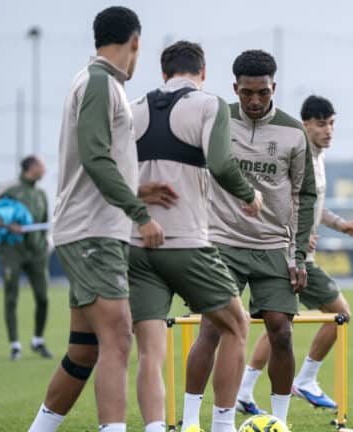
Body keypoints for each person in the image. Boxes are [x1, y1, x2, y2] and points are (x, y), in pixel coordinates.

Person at [27, 7, 164, 432]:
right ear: (136, 42)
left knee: (85, 349)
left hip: (91, 228)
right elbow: (95, 156)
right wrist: (140, 214)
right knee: (120, 338)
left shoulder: (96, 82)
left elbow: (95, 162)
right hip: (93, 231)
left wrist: (136, 188)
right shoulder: (101, 83)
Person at [127, 40, 263, 432]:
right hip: (185, 242)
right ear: (202, 73)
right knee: (236, 325)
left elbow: (113, 175)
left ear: (163, 73)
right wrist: (249, 194)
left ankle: (156, 427)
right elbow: (220, 163)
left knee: (150, 351)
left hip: (137, 245)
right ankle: (222, 425)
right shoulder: (209, 104)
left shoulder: (133, 108)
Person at [180, 49, 317, 430]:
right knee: (211, 328)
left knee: (282, 331)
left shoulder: (294, 132)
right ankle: (191, 421)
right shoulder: (215, 119)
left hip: (273, 246)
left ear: (274, 87)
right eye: (246, 93)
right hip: (220, 242)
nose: (255, 101)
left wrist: (299, 255)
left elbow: (305, 196)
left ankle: (279, 421)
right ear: (234, 88)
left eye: (263, 92)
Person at [236, 95, 353, 413]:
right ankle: (305, 380)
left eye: (332, 123)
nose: (328, 130)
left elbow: (313, 204)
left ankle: (244, 391)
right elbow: (282, 200)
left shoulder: (318, 157)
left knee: (278, 324)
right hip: (293, 255)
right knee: (340, 314)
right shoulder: (297, 153)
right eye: (321, 124)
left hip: (296, 251)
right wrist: (299, 238)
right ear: (305, 125)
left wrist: (338, 224)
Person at [0, 155, 52, 361]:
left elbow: (45, 222)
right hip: (12, 249)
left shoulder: (41, 193)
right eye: (42, 166)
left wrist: (45, 245)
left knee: (43, 297)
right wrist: (5, 225)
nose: (45, 170)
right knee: (11, 296)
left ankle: (38, 340)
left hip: (37, 251)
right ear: (31, 168)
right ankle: (15, 345)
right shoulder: (8, 187)